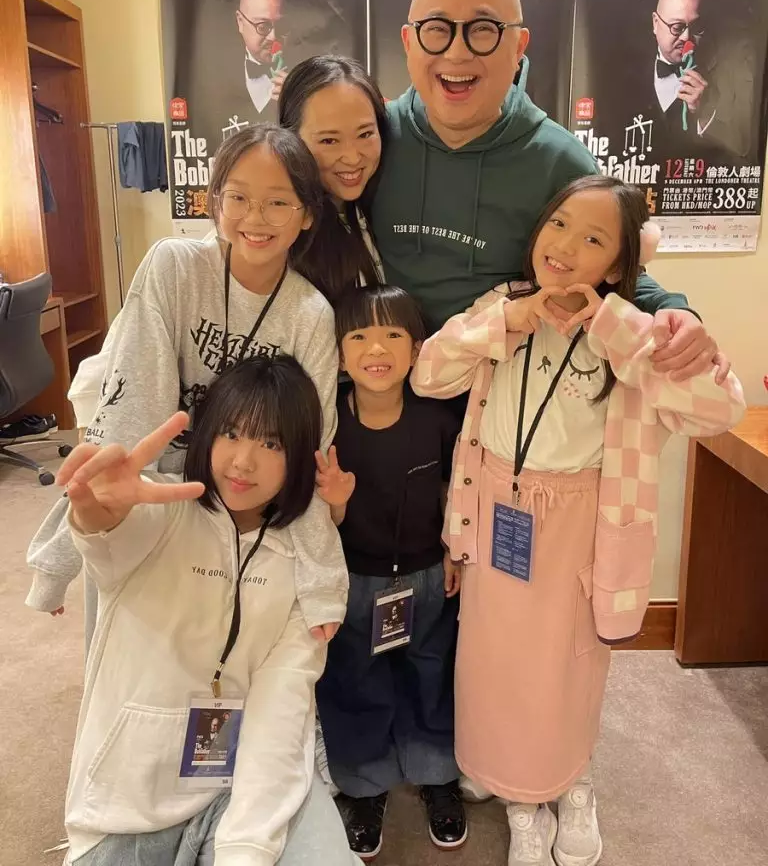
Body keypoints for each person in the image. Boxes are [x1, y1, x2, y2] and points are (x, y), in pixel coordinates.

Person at [411, 175, 745, 866]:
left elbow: (721, 409)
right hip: (497, 508)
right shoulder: (504, 306)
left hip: (581, 521)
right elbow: (428, 375)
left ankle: (569, 781)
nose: (564, 246)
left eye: (593, 238)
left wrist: (618, 330)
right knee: (494, 659)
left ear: (619, 266)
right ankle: (516, 791)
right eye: (558, 224)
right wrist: (505, 323)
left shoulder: (636, 332)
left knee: (569, 665)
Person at [33, 355, 361, 866]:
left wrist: (247, 849)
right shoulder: (160, 511)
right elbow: (108, 538)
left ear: (299, 457)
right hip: (128, 798)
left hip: (247, 778)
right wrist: (95, 512)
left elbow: (282, 705)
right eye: (231, 433)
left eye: (271, 444)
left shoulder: (309, 566)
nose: (243, 461)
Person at [26, 124, 346, 646]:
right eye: (238, 197)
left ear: (307, 213)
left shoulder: (310, 315)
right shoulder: (173, 266)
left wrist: (322, 584)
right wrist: (61, 560)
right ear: (215, 199)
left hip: (243, 502)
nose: (255, 218)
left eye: (277, 203)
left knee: (212, 655)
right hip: (155, 486)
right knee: (129, 647)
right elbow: (131, 407)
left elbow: (311, 446)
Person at [367, 0, 728, 382]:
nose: (457, 51)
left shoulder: (561, 160)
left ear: (519, 47)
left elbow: (615, 263)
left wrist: (674, 310)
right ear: (409, 42)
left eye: (483, 30)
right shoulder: (372, 142)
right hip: (378, 385)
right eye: (436, 29)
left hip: (502, 397)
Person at [313, 285, 465, 860]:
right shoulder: (329, 424)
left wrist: (454, 549)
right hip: (355, 580)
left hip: (428, 575)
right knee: (355, 678)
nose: (376, 349)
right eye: (358, 336)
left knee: (433, 672)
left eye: (392, 334)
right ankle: (364, 784)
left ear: (417, 347)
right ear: (339, 353)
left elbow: (457, 488)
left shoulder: (438, 417)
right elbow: (319, 523)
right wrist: (336, 502)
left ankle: (437, 773)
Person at [279, 55, 387, 297]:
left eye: (365, 134)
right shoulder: (280, 228)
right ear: (291, 139)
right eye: (329, 140)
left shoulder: (379, 205)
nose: (352, 157)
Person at [650, 0, 714, 143]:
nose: (686, 37)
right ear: (656, 23)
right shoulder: (624, 74)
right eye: (677, 27)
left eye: (696, 27)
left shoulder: (720, 77)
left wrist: (703, 116)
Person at [236, 0, 289, 115]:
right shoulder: (213, 74)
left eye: (282, 25)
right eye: (263, 26)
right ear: (240, 22)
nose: (273, 37)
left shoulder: (306, 73)